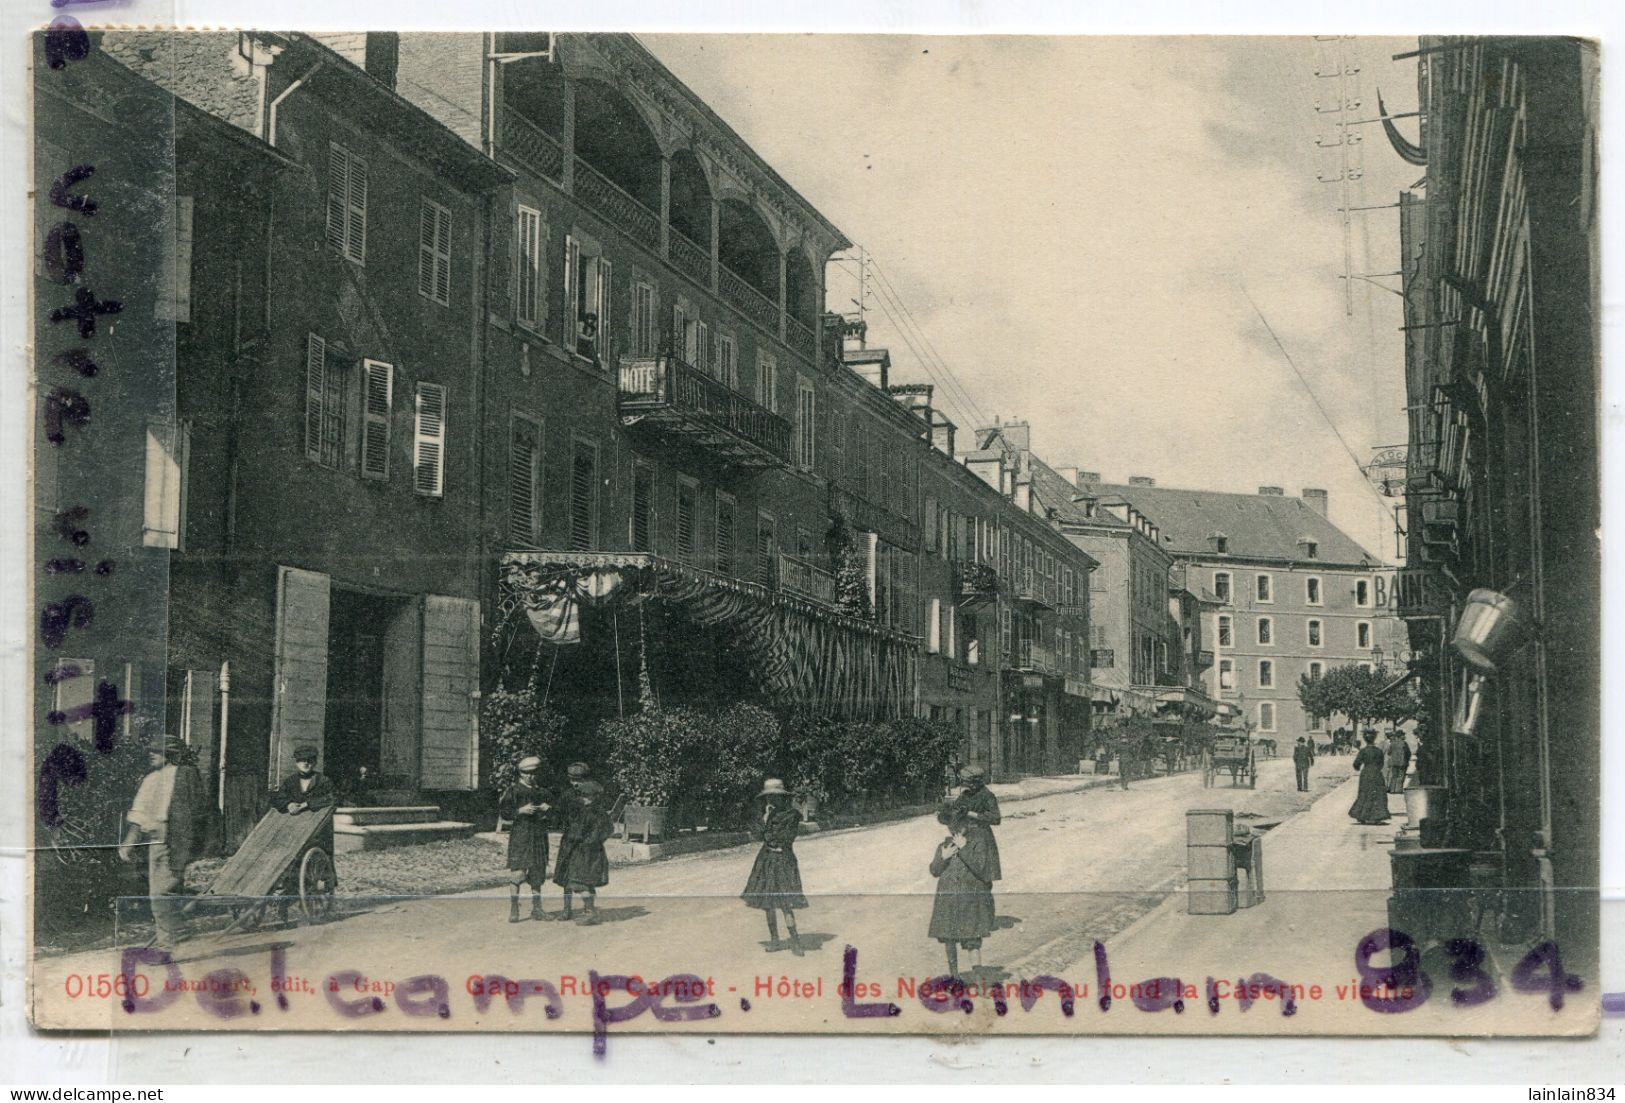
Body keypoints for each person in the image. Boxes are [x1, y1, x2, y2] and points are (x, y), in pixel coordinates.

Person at [119, 734, 206, 947]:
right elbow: (139, 813)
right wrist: (129, 842)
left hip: (176, 840)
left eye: (157, 751)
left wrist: (196, 847)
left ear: (171, 754)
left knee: (161, 894)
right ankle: (175, 935)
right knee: (159, 894)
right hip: (155, 843)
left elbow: (199, 812)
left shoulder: (186, 776)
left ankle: (169, 943)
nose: (151, 754)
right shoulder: (151, 779)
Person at [928, 789, 997, 979]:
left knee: (972, 938)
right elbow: (934, 870)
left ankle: (978, 975)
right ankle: (955, 976)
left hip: (971, 897)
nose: (955, 832)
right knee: (949, 938)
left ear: (967, 824)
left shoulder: (978, 841)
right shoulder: (945, 844)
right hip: (948, 897)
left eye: (959, 827)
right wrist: (943, 858)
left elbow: (982, 868)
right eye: (952, 829)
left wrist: (965, 847)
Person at [740, 778, 807, 955]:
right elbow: (761, 836)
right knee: (768, 903)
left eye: (774, 796)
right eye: (768, 797)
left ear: (782, 797)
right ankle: (775, 940)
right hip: (766, 859)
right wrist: (764, 819)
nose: (771, 800)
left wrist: (769, 834)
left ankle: (795, 941)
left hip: (783, 860)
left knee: (785, 902)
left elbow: (785, 838)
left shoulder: (792, 815)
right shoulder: (769, 814)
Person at [553, 765, 612, 924]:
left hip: (583, 845)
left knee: (581, 877)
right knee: (566, 875)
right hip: (569, 841)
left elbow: (603, 826)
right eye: (572, 780)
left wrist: (592, 839)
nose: (575, 784)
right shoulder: (567, 796)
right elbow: (559, 816)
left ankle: (589, 911)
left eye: (579, 780)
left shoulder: (594, 799)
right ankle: (567, 909)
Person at [499, 756, 554, 922]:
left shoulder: (542, 792)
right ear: (521, 774)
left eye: (534, 773)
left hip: (538, 837)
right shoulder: (513, 791)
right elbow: (504, 813)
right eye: (527, 773)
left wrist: (549, 809)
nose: (531, 776)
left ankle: (537, 909)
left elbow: (555, 815)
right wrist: (520, 811)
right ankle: (514, 909)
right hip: (521, 837)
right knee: (518, 873)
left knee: (537, 874)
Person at [274, 744, 335, 816]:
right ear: (296, 763)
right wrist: (289, 805)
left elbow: (332, 798)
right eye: (302, 760)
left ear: (315, 762)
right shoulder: (290, 781)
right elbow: (279, 799)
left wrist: (306, 804)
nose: (306, 763)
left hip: (317, 819)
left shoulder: (323, 780)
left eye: (310, 760)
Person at [1348, 731, 1391, 825]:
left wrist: (1359, 767)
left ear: (1365, 740)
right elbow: (1381, 763)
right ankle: (1377, 816)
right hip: (1376, 773)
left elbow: (1356, 764)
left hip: (1366, 773)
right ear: (1374, 739)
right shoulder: (1378, 751)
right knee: (1378, 794)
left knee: (1364, 793)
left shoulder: (1363, 751)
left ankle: (1362, 815)